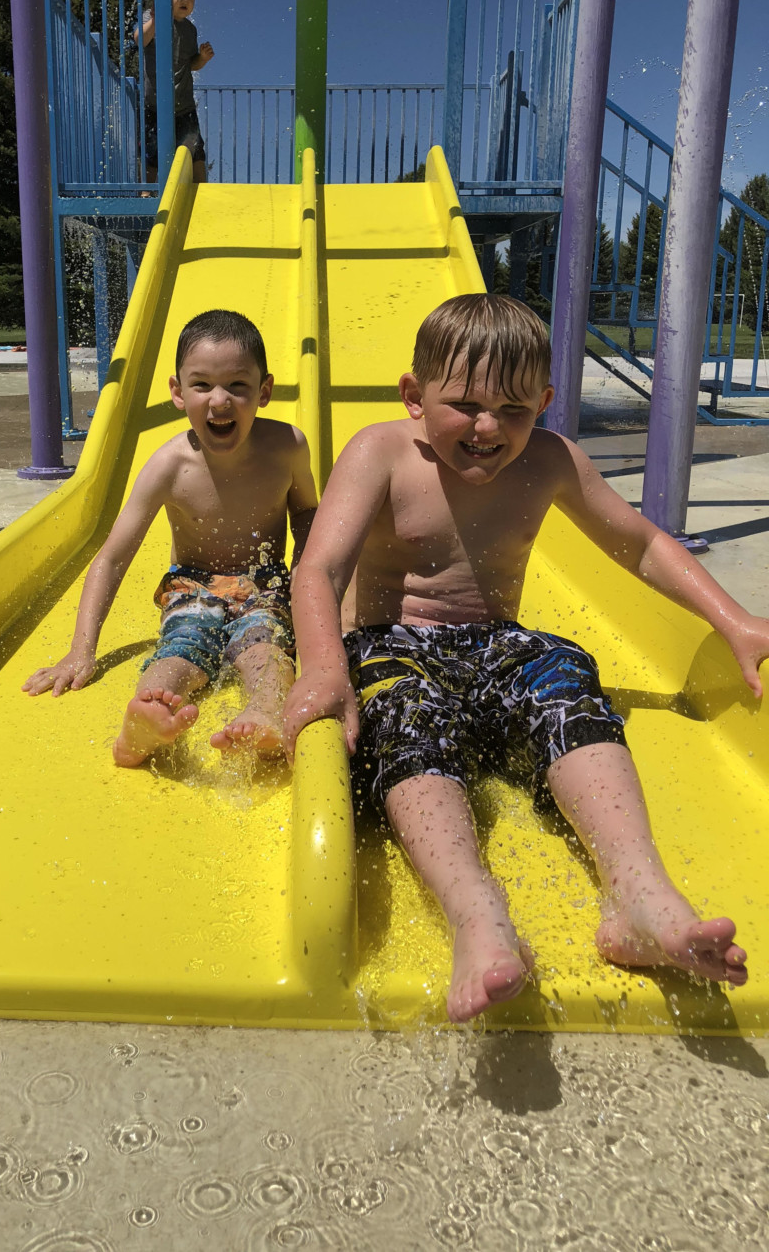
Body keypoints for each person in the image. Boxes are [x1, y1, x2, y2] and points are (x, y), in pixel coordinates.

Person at [282, 293, 764, 1024]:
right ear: (414, 397)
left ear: (542, 403)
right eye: (465, 404)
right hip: (393, 644)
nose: (487, 428)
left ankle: (638, 891)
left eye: (513, 409)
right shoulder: (379, 452)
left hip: (497, 645)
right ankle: (478, 912)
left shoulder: (552, 460)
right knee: (402, 716)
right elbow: (316, 572)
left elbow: (642, 543)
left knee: (564, 674)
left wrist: (732, 619)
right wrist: (323, 665)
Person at [24, 309, 318, 767]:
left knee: (268, 649)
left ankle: (264, 712)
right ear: (178, 394)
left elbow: (305, 511)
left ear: (264, 391)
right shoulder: (169, 466)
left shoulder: (288, 446)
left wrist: (307, 562)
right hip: (192, 587)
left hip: (265, 584)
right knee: (180, 651)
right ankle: (148, 718)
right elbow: (112, 558)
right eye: (201, 384)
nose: (219, 400)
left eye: (237, 385)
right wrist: (81, 650)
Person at [135, 0, 214, 184]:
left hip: (184, 105)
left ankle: (201, 189)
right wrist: (154, 20)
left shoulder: (190, 29)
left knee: (195, 148)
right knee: (151, 150)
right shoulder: (152, 17)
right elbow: (139, 39)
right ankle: (147, 192)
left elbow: (191, 64)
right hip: (155, 104)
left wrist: (203, 59)